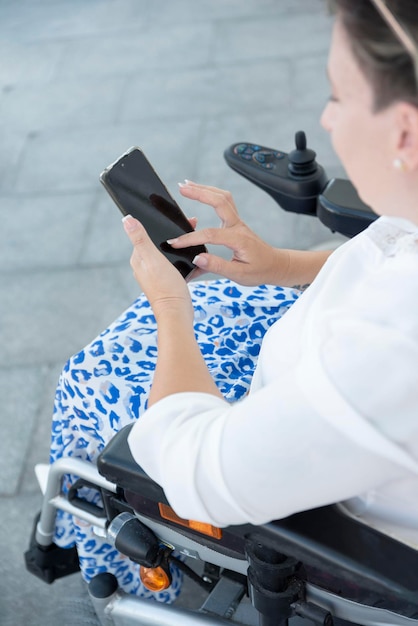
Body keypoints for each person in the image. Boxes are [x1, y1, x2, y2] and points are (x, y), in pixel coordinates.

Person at [51, 0, 418, 602]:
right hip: (322, 364)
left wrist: (172, 310)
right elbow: (389, 252)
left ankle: (118, 575)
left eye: (338, 96)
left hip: (292, 458)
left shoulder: (394, 359)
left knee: (87, 383)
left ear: (404, 130)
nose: (326, 119)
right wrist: (282, 266)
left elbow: (191, 465)